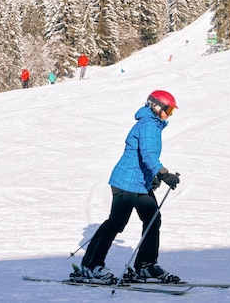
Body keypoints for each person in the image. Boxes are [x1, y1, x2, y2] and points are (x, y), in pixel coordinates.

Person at [78, 90, 182, 284]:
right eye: (168, 110)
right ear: (155, 106)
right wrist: (164, 174)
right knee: (116, 223)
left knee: (152, 219)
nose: (169, 115)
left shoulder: (153, 124)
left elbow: (143, 157)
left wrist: (152, 177)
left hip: (139, 183)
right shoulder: (149, 125)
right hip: (126, 182)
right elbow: (149, 154)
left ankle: (146, 266)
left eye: (171, 112)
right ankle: (91, 266)